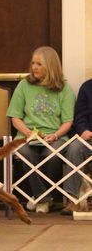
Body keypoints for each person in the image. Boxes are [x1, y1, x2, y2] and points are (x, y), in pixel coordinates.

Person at [6, 46, 75, 214]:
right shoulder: (24, 85)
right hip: (27, 135)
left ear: (50, 66)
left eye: (39, 64)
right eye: (33, 63)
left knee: (50, 155)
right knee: (25, 153)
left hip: (55, 136)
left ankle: (39, 197)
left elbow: (68, 121)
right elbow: (15, 117)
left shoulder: (64, 89)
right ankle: (43, 198)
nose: (34, 67)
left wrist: (56, 135)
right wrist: (29, 133)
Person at [61, 79, 92, 215]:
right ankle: (72, 199)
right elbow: (80, 117)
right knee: (75, 147)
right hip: (90, 137)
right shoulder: (87, 87)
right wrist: (83, 130)